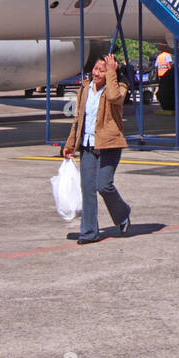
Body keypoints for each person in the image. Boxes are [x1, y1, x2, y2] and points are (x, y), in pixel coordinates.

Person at [62, 54, 132, 243]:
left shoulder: (119, 87)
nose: (97, 73)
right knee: (87, 188)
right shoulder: (84, 88)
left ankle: (123, 213)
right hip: (87, 145)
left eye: (102, 70)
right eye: (95, 69)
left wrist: (111, 73)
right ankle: (89, 232)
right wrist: (69, 145)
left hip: (110, 144)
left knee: (104, 185)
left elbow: (114, 97)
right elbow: (78, 119)